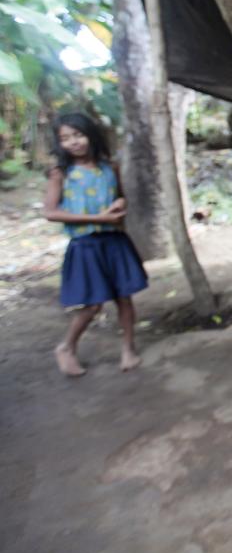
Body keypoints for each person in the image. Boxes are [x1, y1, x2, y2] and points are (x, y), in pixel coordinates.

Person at [42, 113, 148, 376]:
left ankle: (128, 349)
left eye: (78, 135)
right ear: (59, 143)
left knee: (124, 298)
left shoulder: (109, 168)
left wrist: (120, 204)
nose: (74, 142)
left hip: (114, 241)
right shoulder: (61, 173)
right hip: (85, 245)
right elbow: (51, 212)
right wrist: (97, 217)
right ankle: (66, 347)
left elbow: (120, 197)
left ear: (91, 135)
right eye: (65, 138)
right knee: (92, 305)